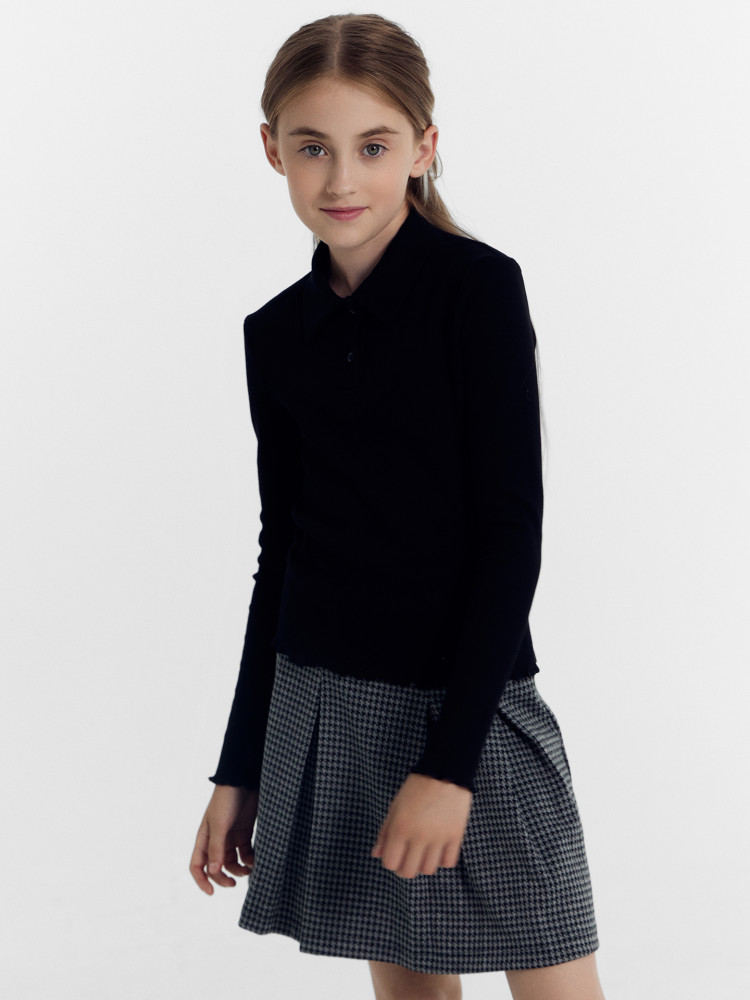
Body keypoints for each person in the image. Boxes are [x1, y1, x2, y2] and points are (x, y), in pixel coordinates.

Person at [189, 13, 605, 1000]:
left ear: (423, 147)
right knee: (410, 990)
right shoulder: (275, 334)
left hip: (470, 707)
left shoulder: (477, 292)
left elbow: (511, 535)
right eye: (313, 148)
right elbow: (283, 556)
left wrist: (452, 766)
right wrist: (240, 765)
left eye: (373, 147)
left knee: (556, 976)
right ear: (272, 151)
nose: (342, 179)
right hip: (329, 705)